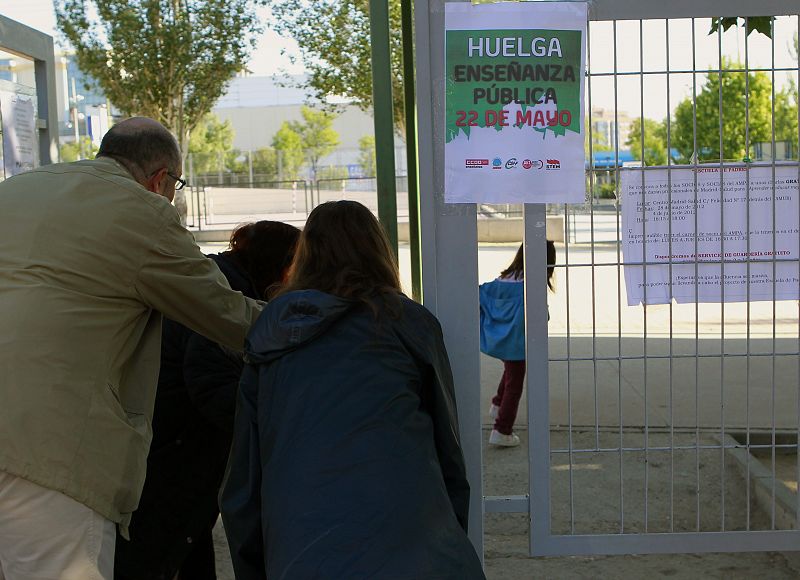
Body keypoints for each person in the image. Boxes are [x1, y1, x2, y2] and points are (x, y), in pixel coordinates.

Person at [0, 117, 262, 580]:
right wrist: (319, 315)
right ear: (160, 178)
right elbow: (230, 318)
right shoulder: (142, 210)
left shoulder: (18, 189)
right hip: (47, 452)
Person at [220, 200, 486, 580]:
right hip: (417, 550)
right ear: (379, 250)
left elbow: (243, 488)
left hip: (304, 554)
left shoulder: (271, 337)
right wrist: (449, 538)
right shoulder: (410, 324)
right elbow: (449, 456)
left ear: (305, 255)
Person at [114, 221, 299, 580]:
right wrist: (273, 429)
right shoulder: (225, 295)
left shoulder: (215, 280)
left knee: (185, 547)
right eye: (295, 265)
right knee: (161, 551)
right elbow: (210, 384)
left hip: (168, 444)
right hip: (177, 451)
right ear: (277, 262)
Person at [480, 241, 556, 447]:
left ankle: (497, 404)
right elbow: (542, 316)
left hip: (501, 339)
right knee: (515, 384)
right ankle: (502, 429)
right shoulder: (531, 285)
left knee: (510, 372)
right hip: (518, 342)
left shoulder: (503, 278)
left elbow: (481, 296)